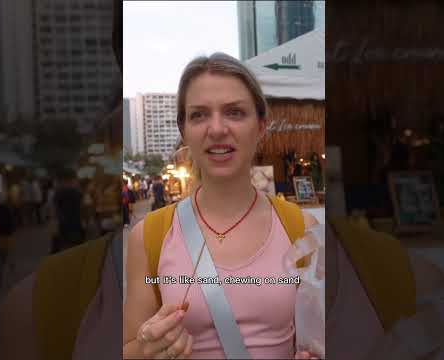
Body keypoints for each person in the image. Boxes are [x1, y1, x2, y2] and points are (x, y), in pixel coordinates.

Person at [124, 53, 318, 359]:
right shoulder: (149, 236)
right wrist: (146, 349)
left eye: (235, 113)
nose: (216, 129)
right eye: (199, 115)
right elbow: (125, 348)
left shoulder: (302, 229)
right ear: (183, 130)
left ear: (262, 126)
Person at [52, 170, 84, 251]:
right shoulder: (75, 192)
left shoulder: (58, 192)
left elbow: (55, 209)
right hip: (73, 222)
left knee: (66, 246)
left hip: (64, 222)